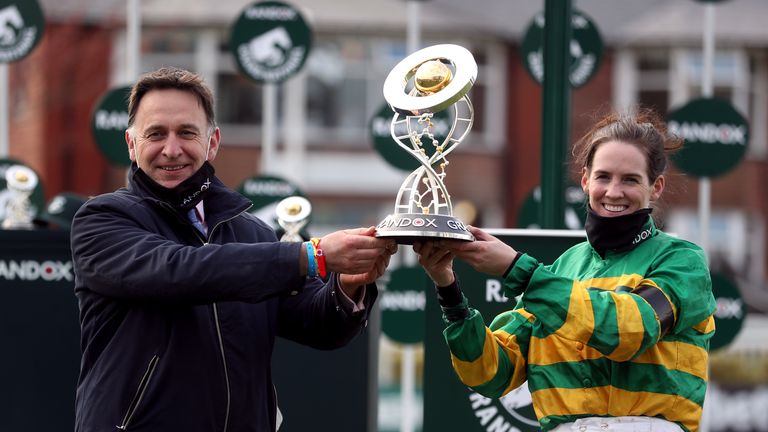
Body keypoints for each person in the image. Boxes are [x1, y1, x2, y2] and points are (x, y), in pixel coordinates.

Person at [70, 67, 397, 432]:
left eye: (187, 133)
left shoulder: (253, 233)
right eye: (156, 134)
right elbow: (181, 270)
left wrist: (348, 284)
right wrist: (312, 255)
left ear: (212, 142)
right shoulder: (102, 220)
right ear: (132, 144)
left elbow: (320, 326)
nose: (172, 149)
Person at [414, 110, 716, 432]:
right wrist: (449, 289)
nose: (613, 191)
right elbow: (490, 374)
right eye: (603, 177)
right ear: (585, 180)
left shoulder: (683, 262)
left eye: (630, 179)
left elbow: (629, 330)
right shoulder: (562, 269)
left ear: (655, 186)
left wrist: (517, 270)